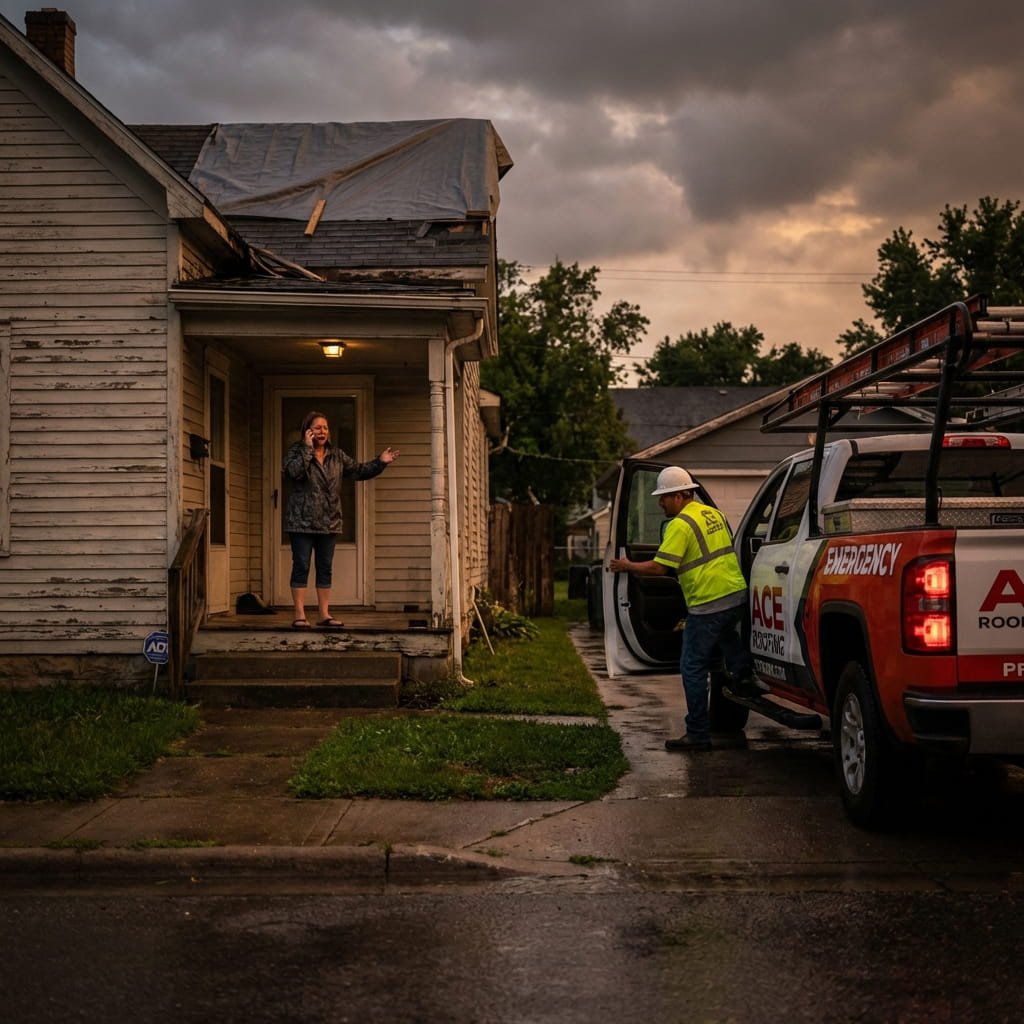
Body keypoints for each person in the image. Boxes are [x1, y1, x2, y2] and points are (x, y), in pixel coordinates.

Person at [608, 466, 764, 752]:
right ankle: (745, 677)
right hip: (734, 595)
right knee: (728, 638)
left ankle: (697, 734)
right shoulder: (713, 514)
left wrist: (626, 566)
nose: (660, 502)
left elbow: (659, 567)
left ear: (681, 495)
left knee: (691, 667)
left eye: (665, 497)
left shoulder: (681, 525)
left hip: (708, 602)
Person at [282, 410, 398, 629]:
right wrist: (307, 450)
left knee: (325, 567)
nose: (322, 431)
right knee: (301, 566)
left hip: (329, 521)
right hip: (301, 522)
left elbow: (359, 470)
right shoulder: (296, 452)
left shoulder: (337, 455)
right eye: (317, 427)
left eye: (325, 428)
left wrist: (380, 462)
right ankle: (299, 614)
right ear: (307, 431)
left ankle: (324, 614)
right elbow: (294, 473)